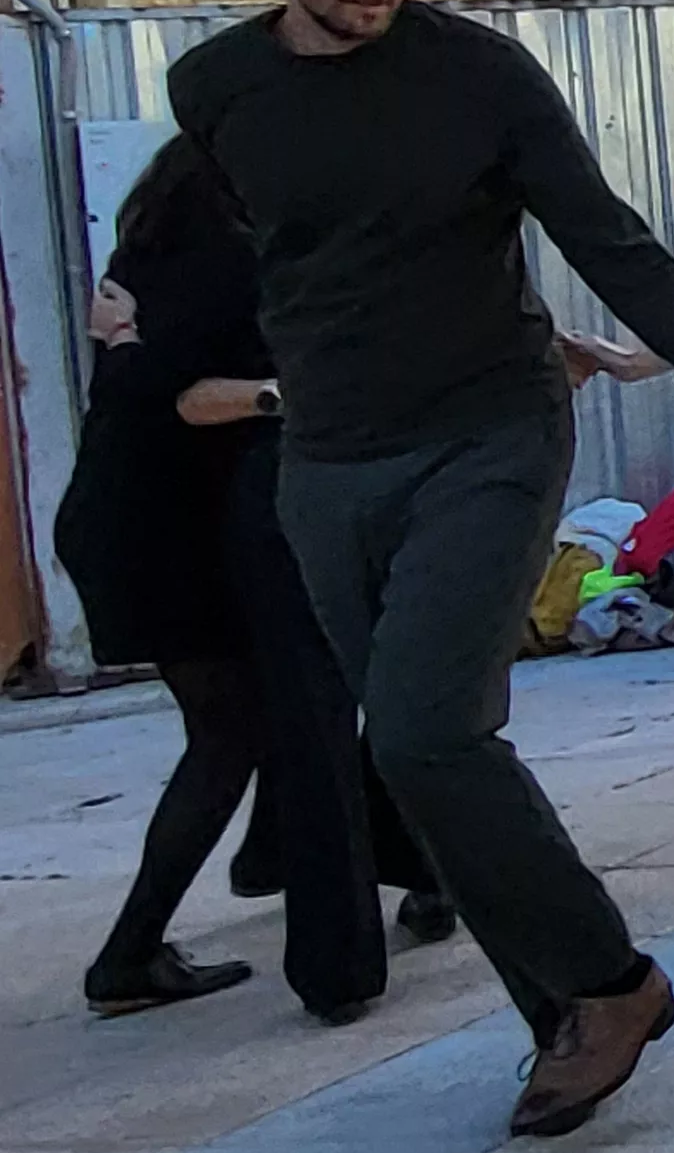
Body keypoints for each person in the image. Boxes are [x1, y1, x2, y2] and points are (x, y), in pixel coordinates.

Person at [167, 0, 674, 1136]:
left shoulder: (480, 77)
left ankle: (610, 984)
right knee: (418, 750)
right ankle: (559, 1016)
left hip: (489, 433)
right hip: (324, 457)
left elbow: (613, 240)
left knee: (431, 727)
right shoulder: (212, 84)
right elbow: (297, 257)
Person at [54, 138, 448, 1024]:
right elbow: (188, 394)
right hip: (165, 533)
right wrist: (296, 393)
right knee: (243, 729)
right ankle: (128, 953)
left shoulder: (153, 252)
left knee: (289, 713)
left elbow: (143, 368)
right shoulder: (228, 256)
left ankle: (325, 866)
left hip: (148, 523)